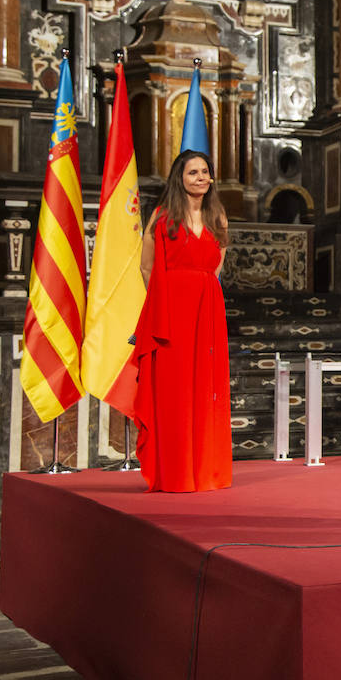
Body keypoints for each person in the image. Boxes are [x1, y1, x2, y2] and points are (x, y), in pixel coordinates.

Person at [133, 149, 232, 492]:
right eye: (194, 173)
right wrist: (165, 301)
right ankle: (174, 472)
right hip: (170, 312)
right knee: (174, 393)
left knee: (205, 390)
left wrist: (202, 289)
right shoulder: (161, 217)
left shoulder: (218, 216)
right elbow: (146, 267)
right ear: (180, 178)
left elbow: (216, 265)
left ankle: (205, 471)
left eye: (205, 172)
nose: (202, 177)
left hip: (206, 311)